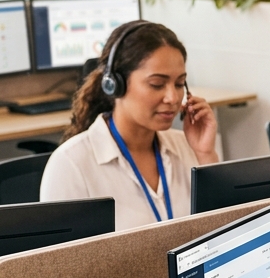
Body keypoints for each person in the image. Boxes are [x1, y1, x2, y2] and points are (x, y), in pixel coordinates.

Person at [40, 20, 219, 230]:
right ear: (115, 84)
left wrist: (205, 155)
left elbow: (224, 230)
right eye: (157, 84)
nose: (172, 97)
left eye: (179, 84)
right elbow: (62, 251)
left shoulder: (187, 146)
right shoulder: (71, 164)